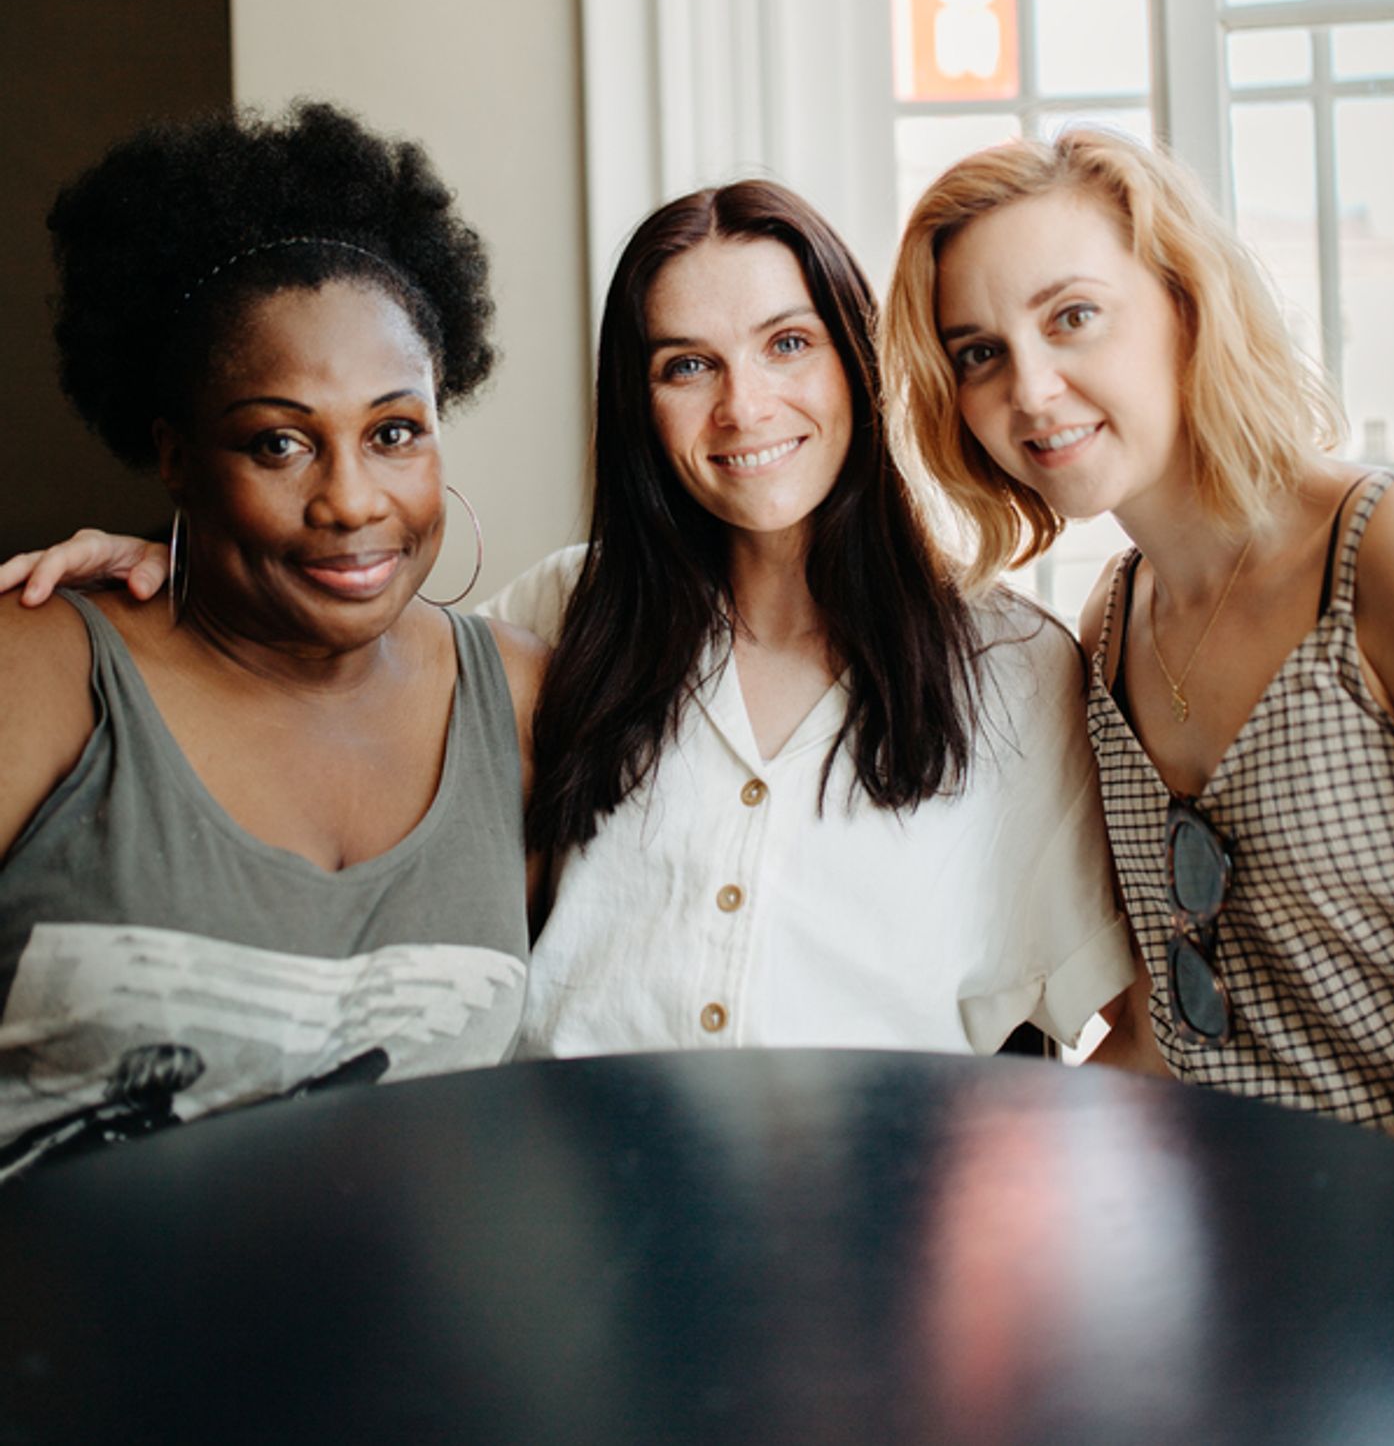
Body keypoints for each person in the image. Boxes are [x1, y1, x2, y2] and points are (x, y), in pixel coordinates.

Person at [7, 182, 1134, 1064]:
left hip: (870, 1259)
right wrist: (190, 568)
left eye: (788, 344)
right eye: (685, 365)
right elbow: (335, 645)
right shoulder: (553, 621)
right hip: (560, 1246)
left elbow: (1109, 1023)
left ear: (858, 360)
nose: (744, 406)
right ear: (638, 406)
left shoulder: (1016, 672)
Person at [0, 102, 544, 1180]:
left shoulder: (527, 700)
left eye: (394, 433)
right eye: (278, 443)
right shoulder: (44, 670)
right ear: (176, 456)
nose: (348, 500)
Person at [883, 126, 1394, 1129]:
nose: (1027, 392)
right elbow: (1162, 1031)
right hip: (1218, 1221)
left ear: (1181, 305)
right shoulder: (1107, 632)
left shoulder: (1370, 560)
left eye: (1071, 317)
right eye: (978, 353)